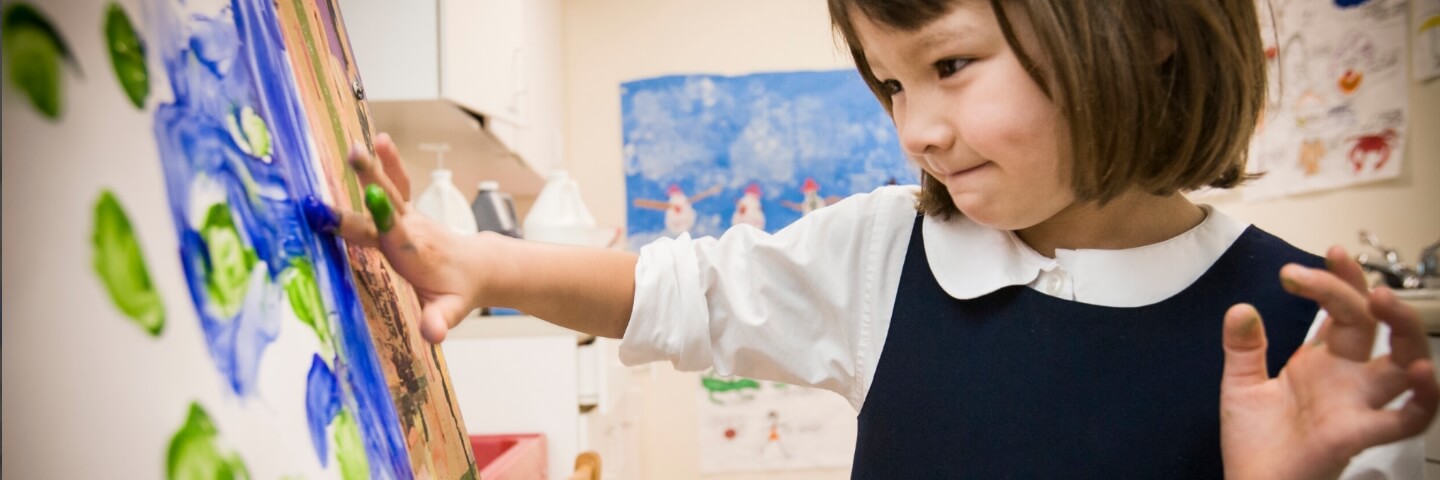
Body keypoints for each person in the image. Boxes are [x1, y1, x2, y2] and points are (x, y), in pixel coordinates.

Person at [324, 0, 1438, 477]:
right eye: (890, 84)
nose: (919, 129)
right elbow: (677, 290)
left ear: (1145, 27)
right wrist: (483, 263)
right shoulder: (886, 252)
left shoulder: (1301, 332)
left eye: (949, 65)